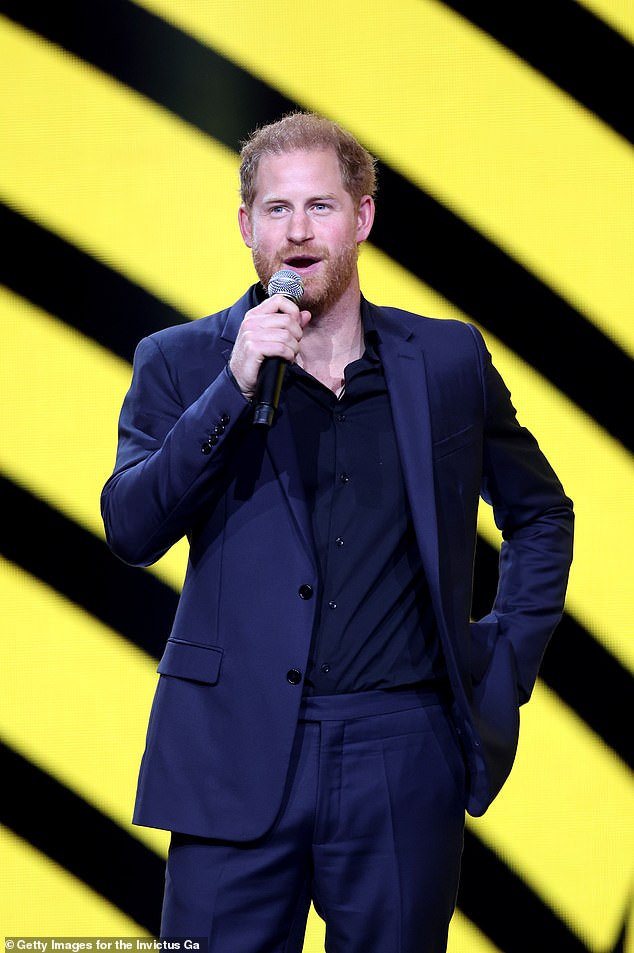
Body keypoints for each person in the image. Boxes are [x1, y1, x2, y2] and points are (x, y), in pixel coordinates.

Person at [101, 112, 574, 952]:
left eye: (320, 206)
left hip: (401, 751)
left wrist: (502, 657)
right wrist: (233, 388)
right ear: (247, 227)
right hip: (231, 752)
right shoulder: (179, 361)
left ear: (361, 218)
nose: (297, 231)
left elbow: (540, 512)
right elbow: (131, 527)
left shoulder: (448, 360)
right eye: (276, 210)